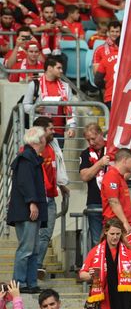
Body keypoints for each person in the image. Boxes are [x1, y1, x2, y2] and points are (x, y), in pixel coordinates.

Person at [8, 127, 48, 294]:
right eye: (44, 138)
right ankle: (20, 283)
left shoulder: (30, 157)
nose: (46, 140)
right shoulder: (26, 158)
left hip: (29, 211)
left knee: (33, 249)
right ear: (37, 141)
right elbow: (25, 182)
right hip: (27, 211)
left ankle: (30, 282)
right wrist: (32, 202)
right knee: (26, 248)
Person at [79, 218, 131, 309]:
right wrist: (91, 275)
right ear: (106, 232)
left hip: (125, 299)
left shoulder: (129, 252)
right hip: (104, 299)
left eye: (118, 234)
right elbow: (82, 275)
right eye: (112, 234)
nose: (115, 237)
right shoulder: (95, 252)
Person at [31, 117, 68, 280]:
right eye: (50, 129)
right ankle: (33, 267)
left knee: (46, 234)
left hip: (51, 197)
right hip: (37, 198)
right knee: (34, 235)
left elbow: (54, 170)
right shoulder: (33, 148)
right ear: (42, 130)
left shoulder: (53, 146)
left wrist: (61, 185)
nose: (54, 131)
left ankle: (37, 265)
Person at [22, 57, 76, 142]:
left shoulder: (65, 86)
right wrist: (35, 108)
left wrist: (72, 127)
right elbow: (25, 105)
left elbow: (71, 108)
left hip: (59, 131)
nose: (61, 71)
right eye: (58, 68)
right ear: (49, 68)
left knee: (57, 155)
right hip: (39, 131)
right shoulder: (35, 84)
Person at [79, 123, 109, 248]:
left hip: (113, 201)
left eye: (93, 138)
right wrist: (100, 164)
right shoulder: (85, 154)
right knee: (97, 241)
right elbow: (84, 176)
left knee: (114, 238)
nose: (91, 142)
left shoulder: (112, 149)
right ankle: (99, 266)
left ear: (101, 134)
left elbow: (127, 175)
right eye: (88, 140)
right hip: (94, 201)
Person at [101, 148, 131, 232]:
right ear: (125, 160)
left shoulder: (119, 177)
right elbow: (113, 201)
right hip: (115, 224)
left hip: (119, 223)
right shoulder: (112, 176)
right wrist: (125, 222)